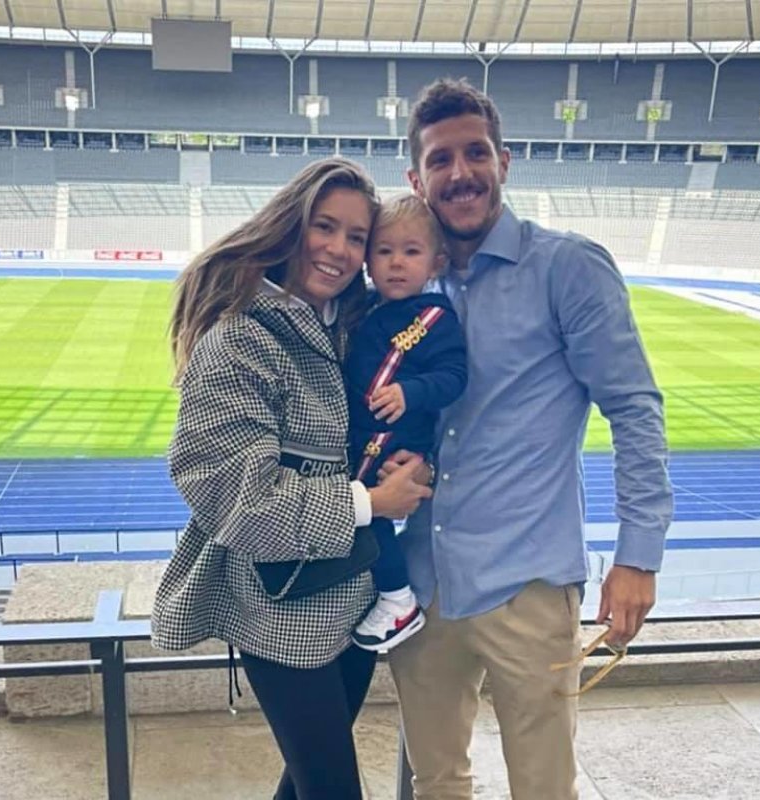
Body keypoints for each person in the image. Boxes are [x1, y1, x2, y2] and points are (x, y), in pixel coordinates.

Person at [382, 79, 674, 800]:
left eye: (475, 153)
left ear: (504, 162)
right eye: (440, 160)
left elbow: (633, 407)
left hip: (528, 585)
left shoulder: (566, 268)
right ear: (417, 179)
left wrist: (637, 555)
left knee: (544, 787)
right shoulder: (407, 286)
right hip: (425, 582)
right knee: (436, 781)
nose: (461, 173)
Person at [150, 157, 432, 800]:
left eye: (356, 236)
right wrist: (371, 500)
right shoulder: (237, 342)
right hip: (281, 611)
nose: (339, 249)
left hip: (355, 597)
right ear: (289, 226)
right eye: (324, 227)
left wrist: (412, 465)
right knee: (331, 788)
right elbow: (240, 502)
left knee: (307, 784)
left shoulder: (352, 329)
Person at [345, 195, 467, 653]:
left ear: (436, 263)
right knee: (360, 512)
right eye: (384, 251)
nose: (396, 263)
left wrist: (409, 392)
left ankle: (397, 601)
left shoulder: (435, 318)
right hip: (364, 433)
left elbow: (455, 376)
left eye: (411, 252)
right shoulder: (367, 307)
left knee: (366, 509)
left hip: (393, 437)